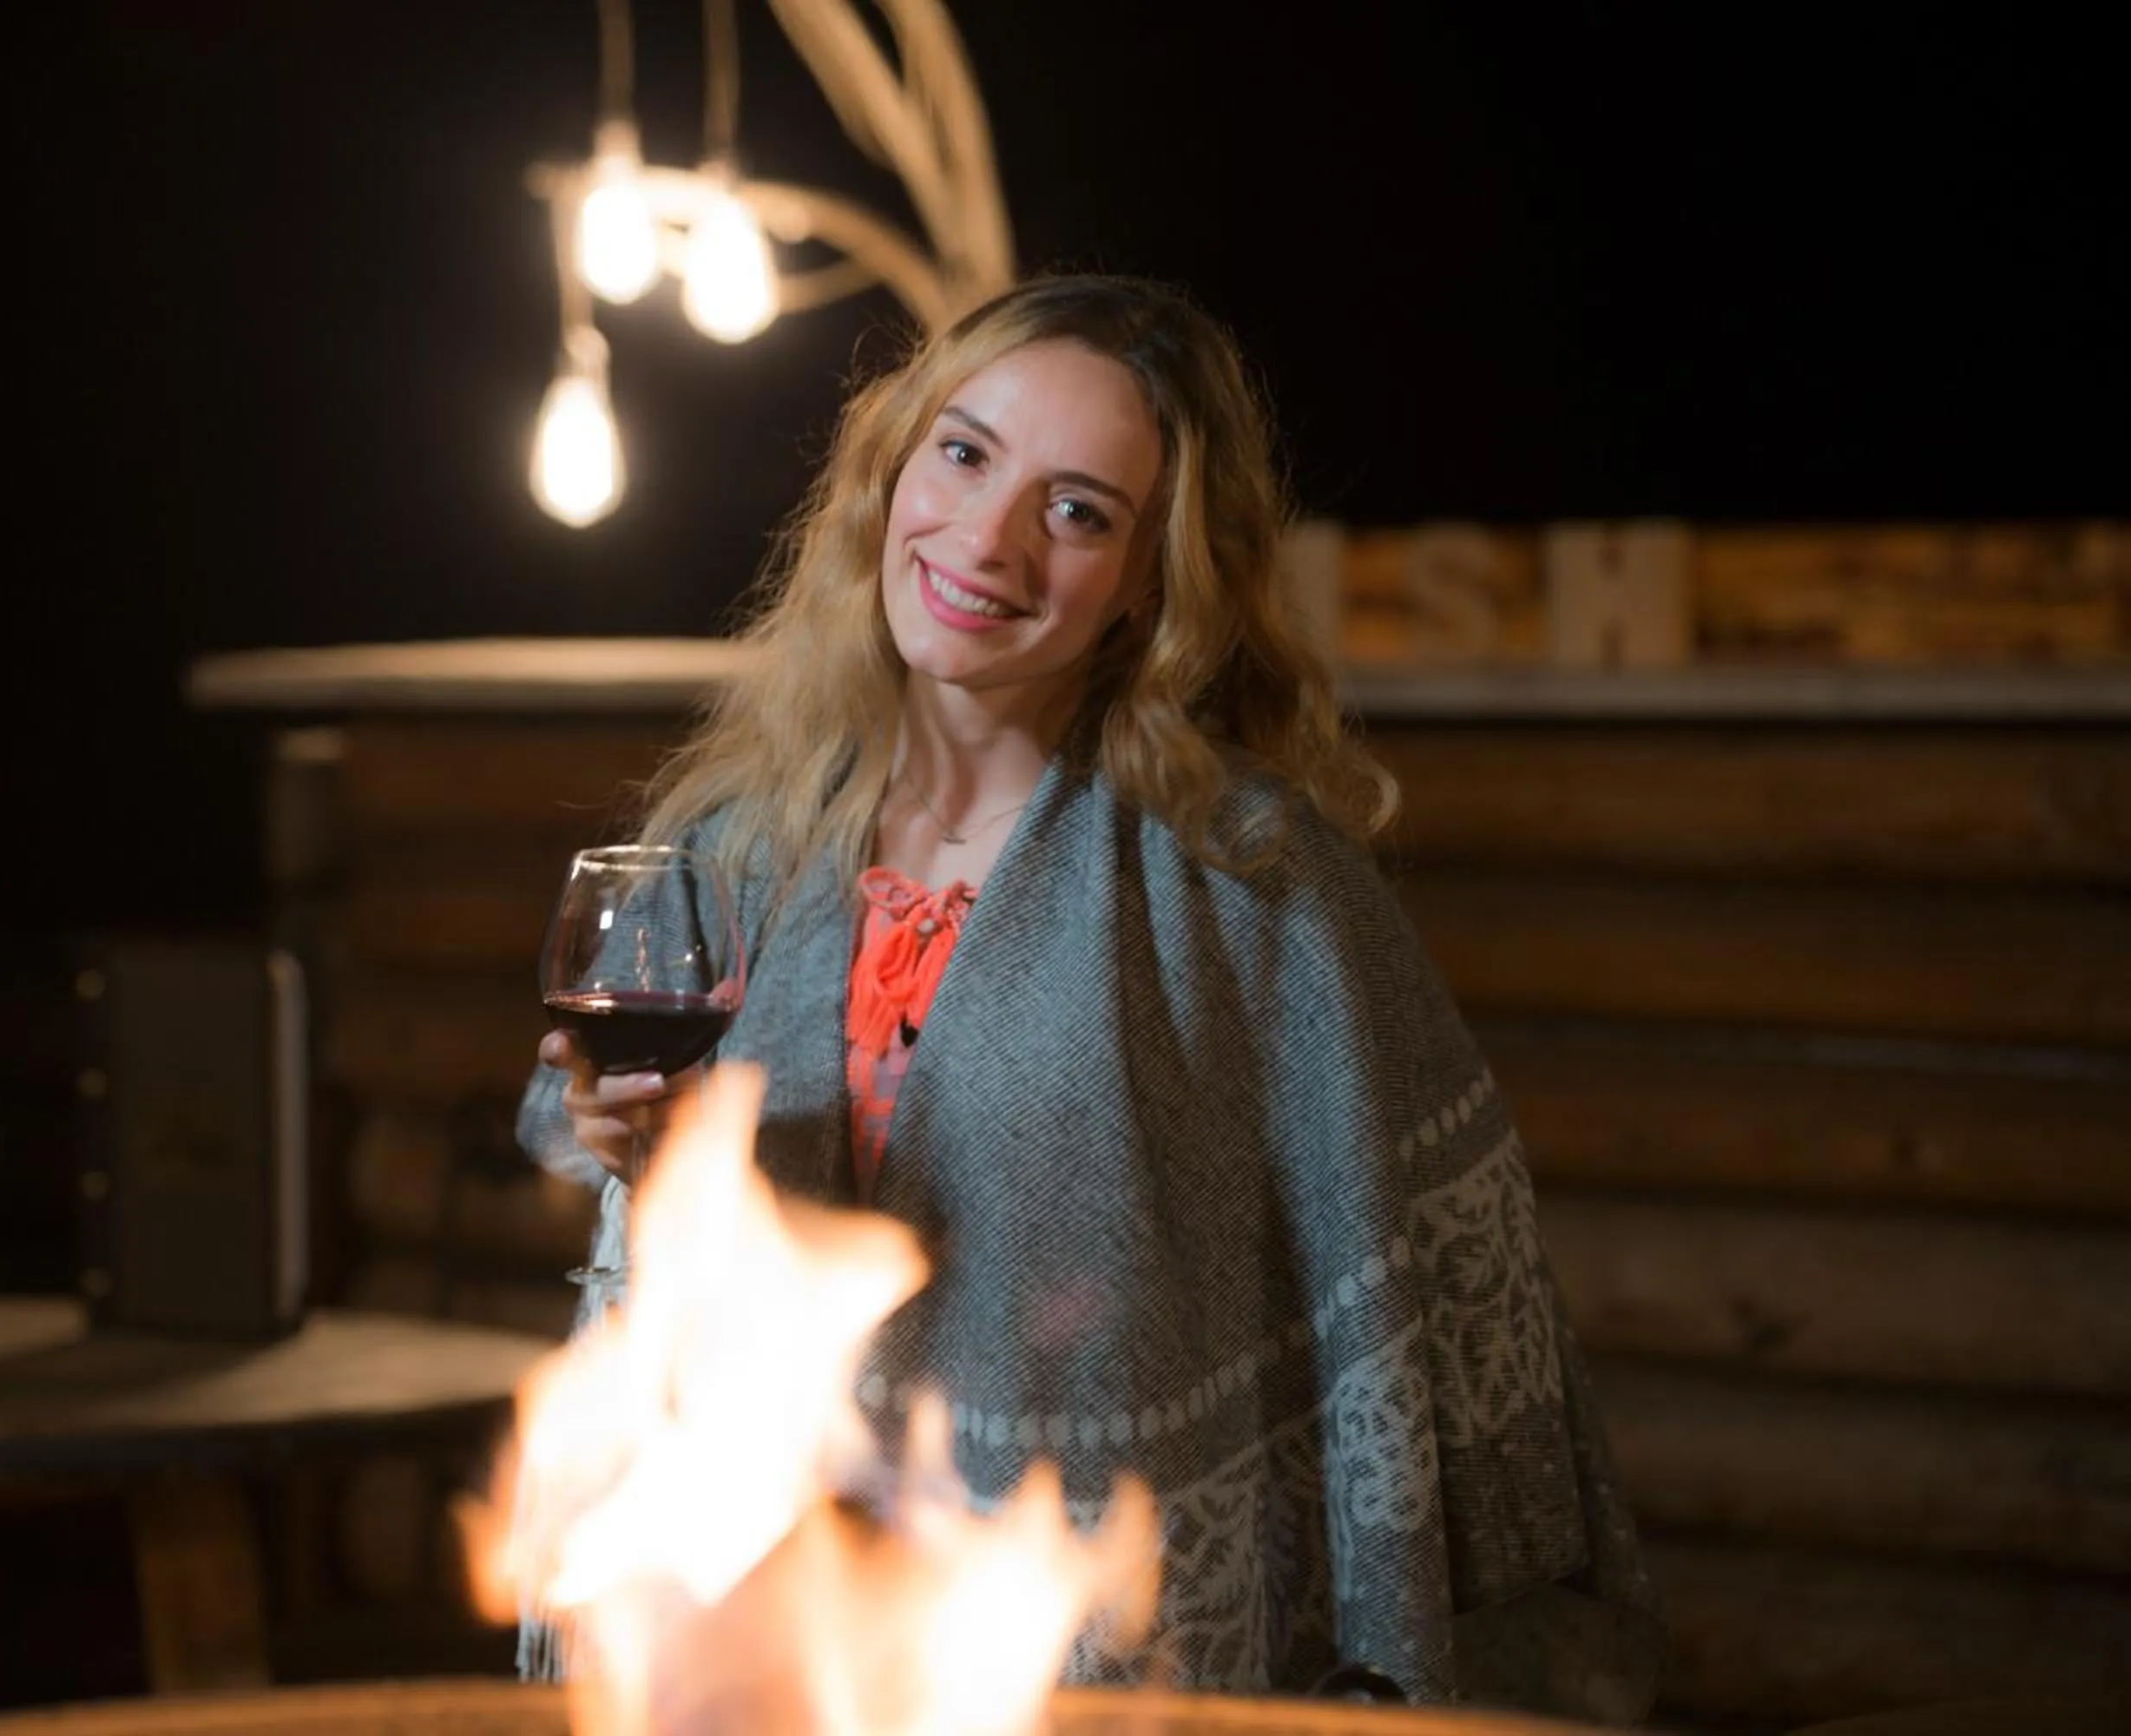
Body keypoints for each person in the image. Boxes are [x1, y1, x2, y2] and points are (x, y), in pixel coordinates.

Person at [517, 273, 1661, 1720]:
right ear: (891, 468)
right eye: (966, 453)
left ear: (1150, 582)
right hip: (741, 1599)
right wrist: (627, 1148)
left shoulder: (1251, 885)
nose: (987, 540)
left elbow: (1407, 1289)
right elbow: (615, 1163)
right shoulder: (738, 838)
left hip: (1057, 1641)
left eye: (1078, 511)